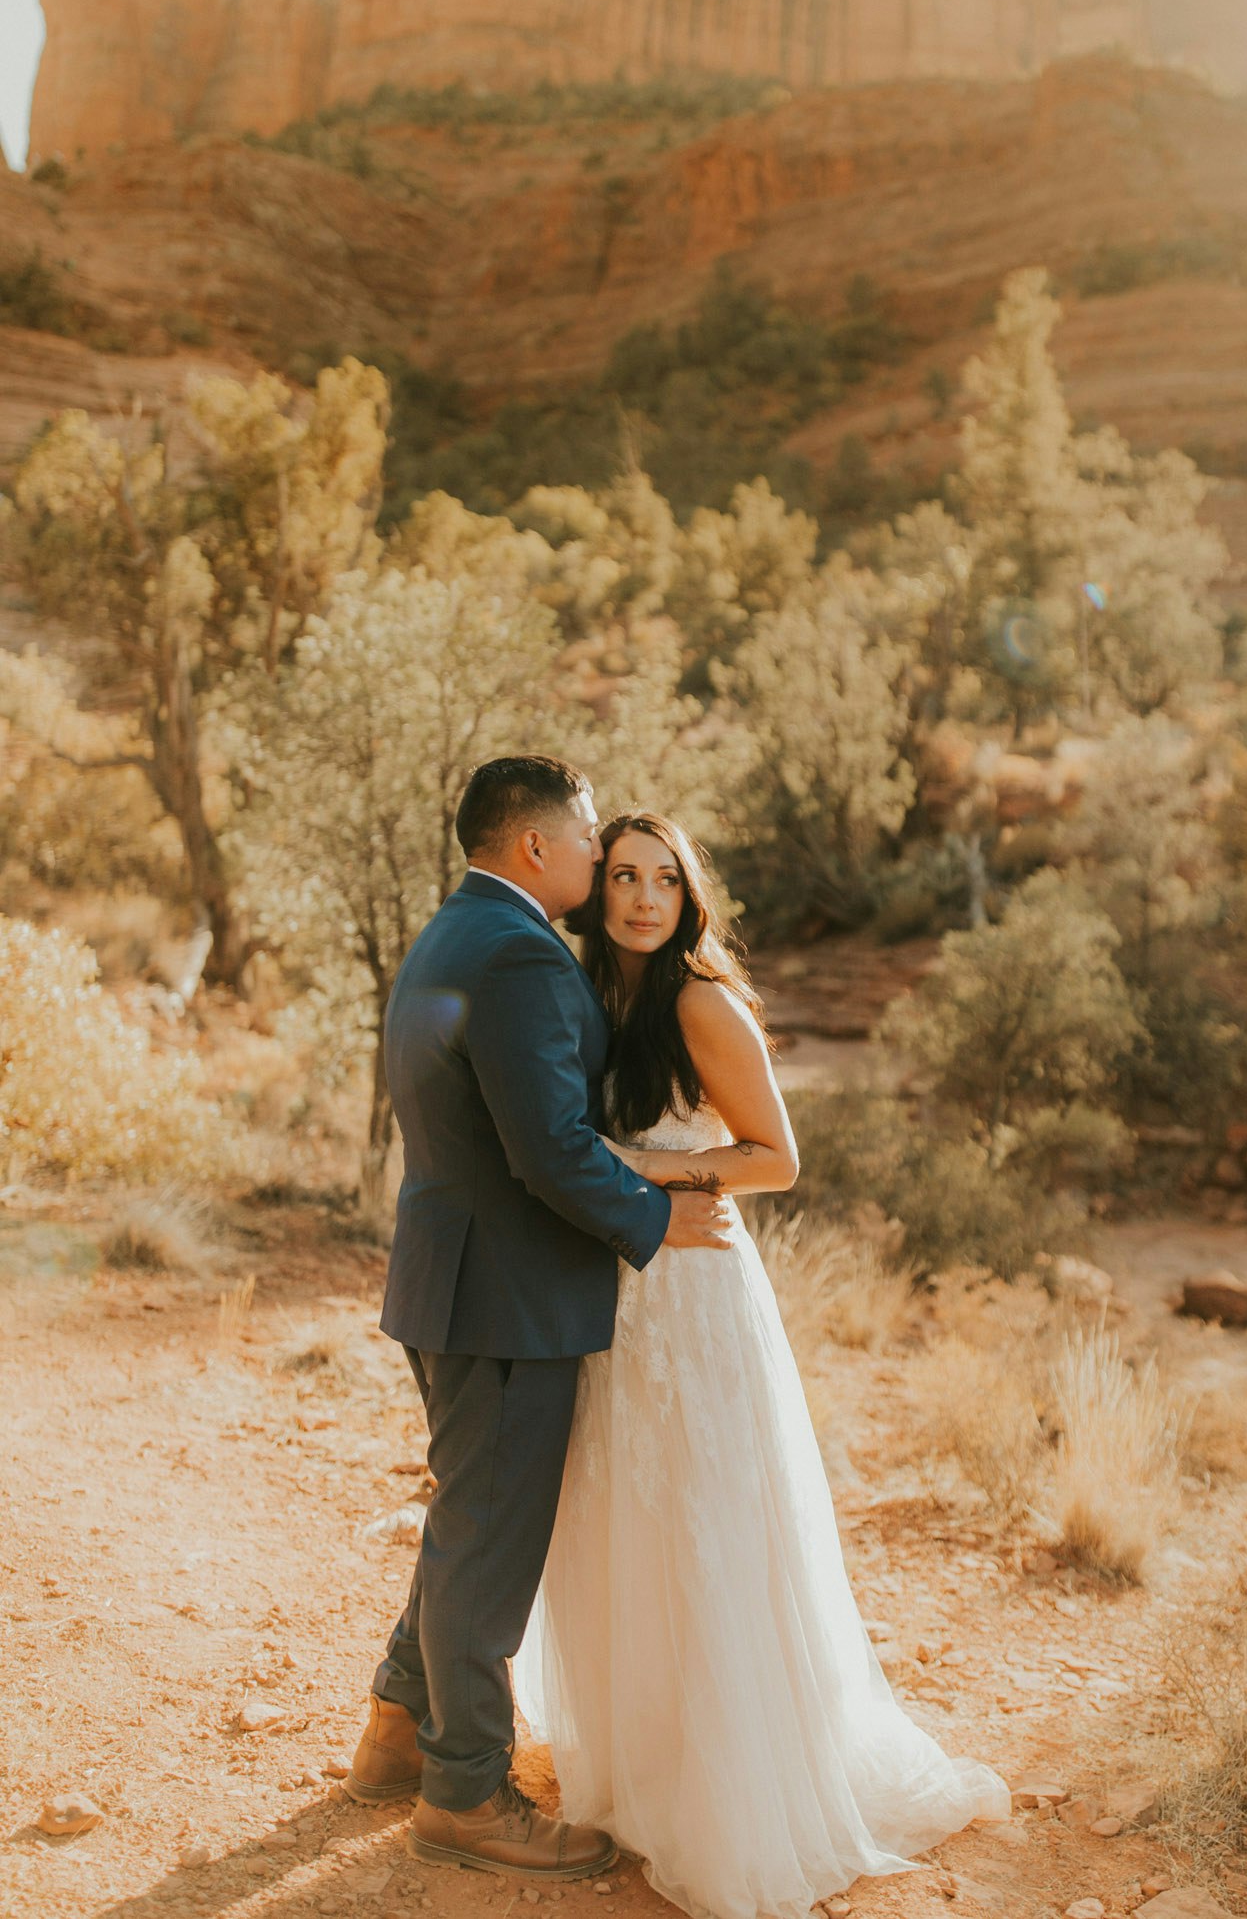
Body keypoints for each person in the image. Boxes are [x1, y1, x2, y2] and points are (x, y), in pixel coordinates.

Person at [515, 810, 1009, 1919]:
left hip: (693, 1299)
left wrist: (630, 1166)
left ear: (692, 898)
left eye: (665, 881)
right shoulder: (595, 996)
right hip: (617, 1296)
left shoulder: (699, 1000)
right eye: (625, 877)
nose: (643, 899)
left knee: (706, 1524)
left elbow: (778, 1159)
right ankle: (644, 1770)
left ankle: (728, 1799)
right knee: (623, 1521)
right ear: (598, 891)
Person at [345, 758, 736, 1885]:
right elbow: (548, 1150)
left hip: (459, 1280)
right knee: (490, 1536)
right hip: (506, 1297)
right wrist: (657, 1218)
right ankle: (464, 1790)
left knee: (472, 1514)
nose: (591, 854)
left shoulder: (457, 931)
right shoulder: (517, 953)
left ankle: (395, 1731)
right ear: (534, 849)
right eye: (581, 839)